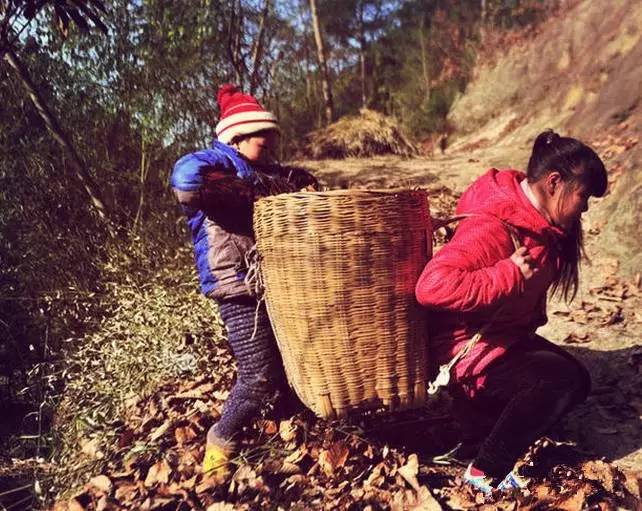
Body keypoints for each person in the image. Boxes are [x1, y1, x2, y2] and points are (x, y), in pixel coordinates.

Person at [415, 130, 607, 493]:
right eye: (583, 196)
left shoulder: (541, 225)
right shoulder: (492, 227)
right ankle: (485, 473)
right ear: (554, 183)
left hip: (503, 341)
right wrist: (507, 275)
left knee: (577, 380)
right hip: (466, 352)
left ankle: (478, 425)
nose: (585, 207)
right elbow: (431, 287)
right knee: (556, 381)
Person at [170, 84, 316, 478]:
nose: (268, 151)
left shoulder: (261, 170)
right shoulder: (213, 162)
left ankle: (293, 432)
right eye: (261, 144)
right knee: (258, 377)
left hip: (270, 280)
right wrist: (243, 189)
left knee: (288, 360)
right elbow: (185, 179)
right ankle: (220, 445)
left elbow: (296, 183)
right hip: (236, 285)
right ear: (236, 136)